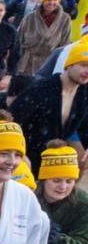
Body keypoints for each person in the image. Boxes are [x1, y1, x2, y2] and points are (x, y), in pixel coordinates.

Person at [8, 44, 88, 175]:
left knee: (80, 165)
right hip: (27, 152)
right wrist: (18, 152)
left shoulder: (84, 93)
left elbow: (84, 125)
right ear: (69, 65)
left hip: (52, 157)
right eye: (83, 65)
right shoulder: (43, 88)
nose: (87, 71)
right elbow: (12, 120)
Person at [34, 143, 88, 244]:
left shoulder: (83, 204)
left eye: (69, 181)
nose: (63, 187)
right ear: (44, 179)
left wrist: (60, 240)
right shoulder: (28, 195)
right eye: (56, 180)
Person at [17, 0, 73, 76]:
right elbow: (18, 40)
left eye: (55, 0)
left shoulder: (65, 19)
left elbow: (65, 45)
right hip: (27, 63)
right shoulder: (29, 17)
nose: (52, 3)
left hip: (49, 64)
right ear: (43, 1)